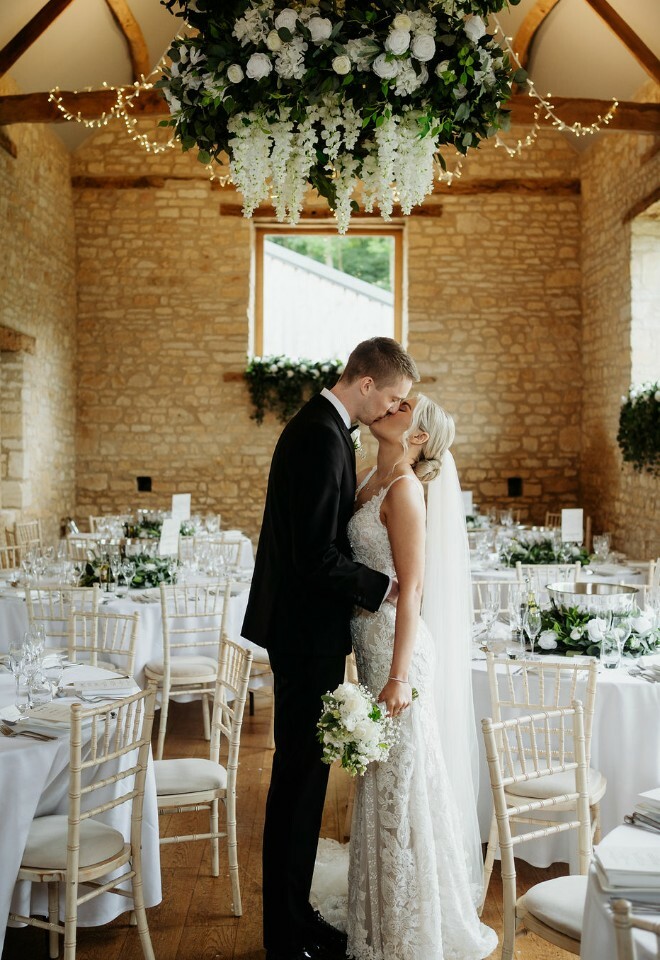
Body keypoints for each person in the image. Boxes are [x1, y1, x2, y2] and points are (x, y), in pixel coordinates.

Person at [242, 338, 420, 960]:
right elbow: (313, 555)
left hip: (307, 632)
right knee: (297, 785)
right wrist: (381, 586)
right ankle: (285, 935)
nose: (393, 408)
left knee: (306, 782)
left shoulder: (326, 429)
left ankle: (297, 915)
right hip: (302, 635)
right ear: (366, 383)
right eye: (392, 397)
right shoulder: (319, 435)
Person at [344, 394, 497, 960]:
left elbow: (412, 591)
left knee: (403, 777)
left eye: (404, 407)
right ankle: (378, 908)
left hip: (397, 650)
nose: (391, 406)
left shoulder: (406, 490)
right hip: (369, 644)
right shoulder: (367, 479)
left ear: (418, 436)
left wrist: (401, 676)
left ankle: (411, 920)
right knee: (379, 776)